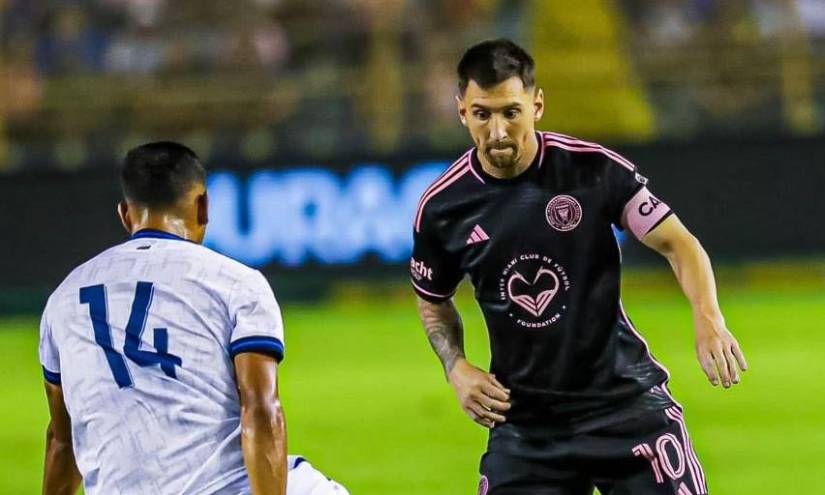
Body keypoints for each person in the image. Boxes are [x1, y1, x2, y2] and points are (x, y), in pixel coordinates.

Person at [411, 39, 747, 495]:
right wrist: (456, 366)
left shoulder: (591, 171)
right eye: (482, 114)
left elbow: (678, 243)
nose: (497, 132)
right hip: (527, 428)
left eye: (511, 112)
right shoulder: (443, 208)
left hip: (626, 407)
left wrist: (709, 319)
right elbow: (433, 301)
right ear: (461, 111)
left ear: (537, 104)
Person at [39, 142, 346, 495]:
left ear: (125, 215)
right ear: (204, 206)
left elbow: (62, 441)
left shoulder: (64, 298)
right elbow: (261, 410)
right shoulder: (236, 283)